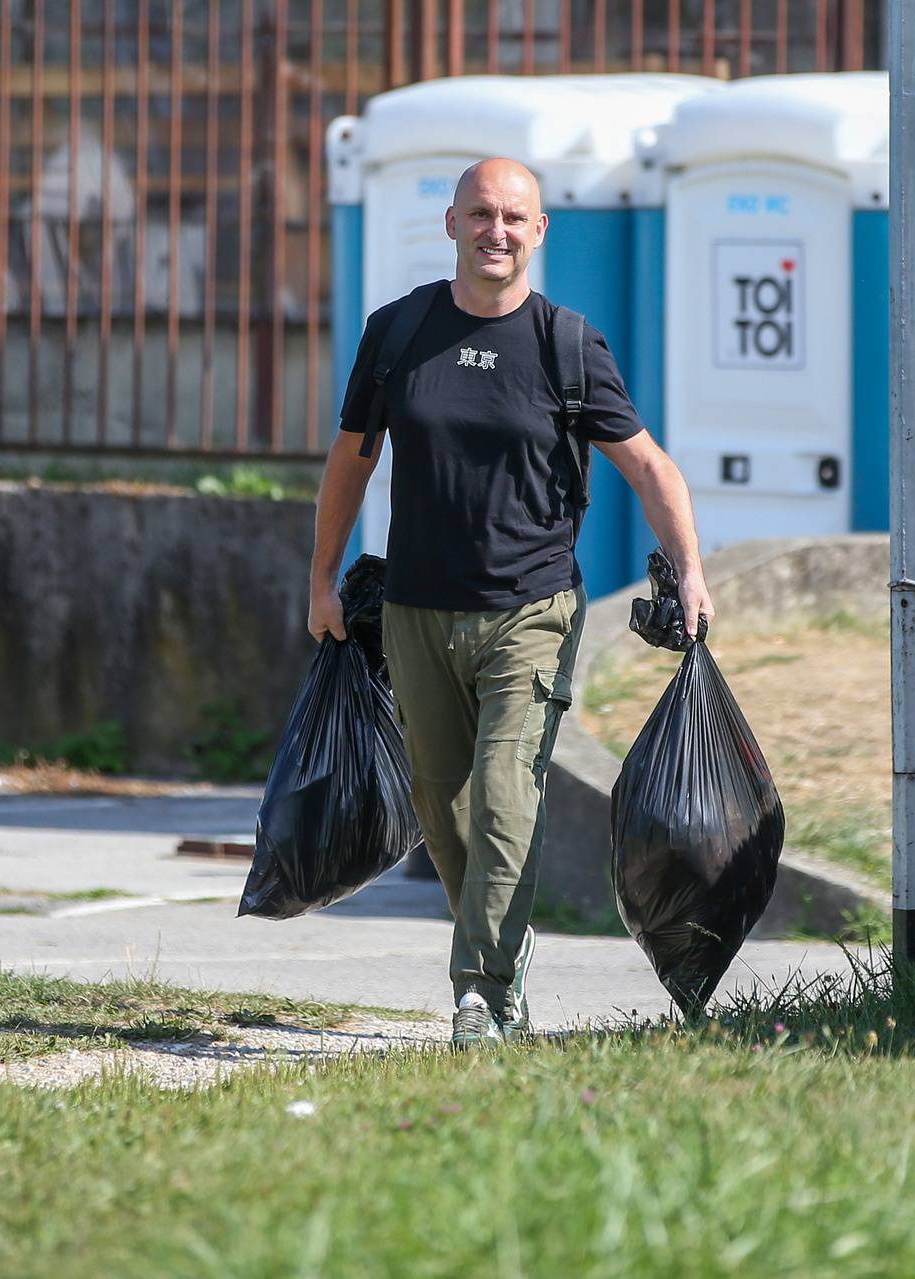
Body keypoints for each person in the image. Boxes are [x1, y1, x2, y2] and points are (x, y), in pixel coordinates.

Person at [306, 157, 714, 1046]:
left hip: (531, 610)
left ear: (540, 232)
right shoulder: (398, 332)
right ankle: (505, 950)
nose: (498, 230)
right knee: (443, 808)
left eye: (515, 217)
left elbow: (650, 465)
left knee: (502, 796)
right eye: (482, 213)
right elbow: (352, 457)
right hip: (415, 609)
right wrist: (320, 576)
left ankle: (479, 994)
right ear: (452, 223)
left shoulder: (567, 345)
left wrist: (689, 567)